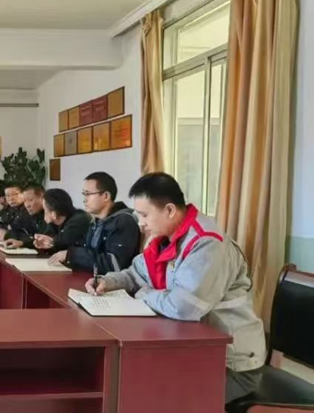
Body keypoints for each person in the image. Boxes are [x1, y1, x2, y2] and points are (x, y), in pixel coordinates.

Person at [85, 172, 266, 404]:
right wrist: (108, 281)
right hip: (190, 348)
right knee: (133, 381)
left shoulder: (206, 243)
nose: (140, 223)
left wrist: (144, 294)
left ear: (169, 210)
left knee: (161, 398)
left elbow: (184, 308)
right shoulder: (164, 237)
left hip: (231, 364)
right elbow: (135, 273)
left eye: (144, 215)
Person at [49, 172, 140, 273]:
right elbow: (88, 252)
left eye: (88, 194)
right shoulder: (96, 221)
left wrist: (72, 255)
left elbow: (114, 265)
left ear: (106, 196)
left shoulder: (124, 221)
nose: (84, 200)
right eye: (84, 194)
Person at [31, 188, 91, 255]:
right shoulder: (56, 222)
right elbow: (47, 243)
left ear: (54, 214)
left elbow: (62, 244)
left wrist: (50, 224)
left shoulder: (79, 220)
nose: (44, 214)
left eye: (45, 210)